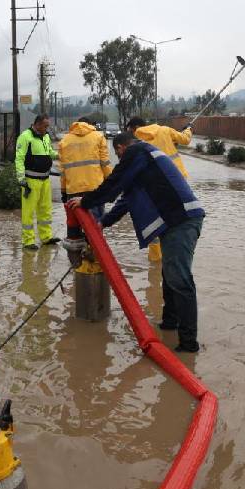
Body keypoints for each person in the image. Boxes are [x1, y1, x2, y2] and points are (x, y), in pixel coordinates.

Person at [68, 133, 206, 352]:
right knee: (169, 274)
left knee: (180, 279)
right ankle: (170, 323)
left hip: (181, 221)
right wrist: (103, 222)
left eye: (117, 154)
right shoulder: (145, 160)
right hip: (177, 221)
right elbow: (125, 200)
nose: (119, 158)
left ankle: (189, 344)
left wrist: (86, 201)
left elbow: (113, 184)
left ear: (122, 147)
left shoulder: (137, 151)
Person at [124, 116, 194, 262]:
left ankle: (155, 261)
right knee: (177, 221)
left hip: (154, 187)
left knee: (155, 221)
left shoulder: (135, 142)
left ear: (135, 128)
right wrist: (188, 129)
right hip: (178, 183)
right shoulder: (165, 130)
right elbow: (185, 140)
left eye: (130, 130)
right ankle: (175, 255)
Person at [57, 116, 111, 242]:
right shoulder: (98, 136)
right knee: (95, 225)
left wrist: (63, 191)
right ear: (90, 124)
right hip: (95, 189)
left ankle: (76, 258)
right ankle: (94, 254)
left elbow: (63, 170)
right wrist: (110, 183)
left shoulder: (64, 141)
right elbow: (105, 163)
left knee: (74, 225)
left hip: (73, 190)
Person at [15, 114, 60, 250]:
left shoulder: (45, 136)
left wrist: (58, 155)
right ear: (38, 124)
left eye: (48, 126)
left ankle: (46, 237)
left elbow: (49, 152)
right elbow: (19, 158)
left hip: (45, 179)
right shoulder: (25, 136)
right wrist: (21, 179)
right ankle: (28, 241)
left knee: (45, 210)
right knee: (28, 212)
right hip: (31, 181)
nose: (47, 129)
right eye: (45, 126)